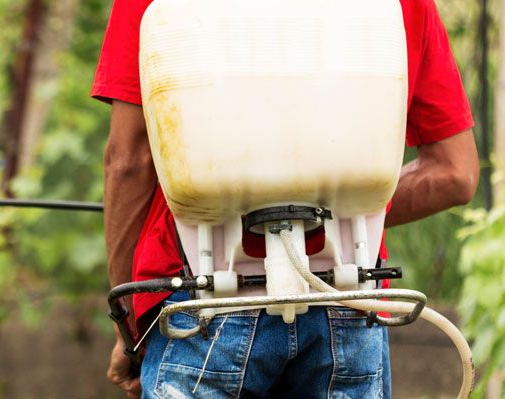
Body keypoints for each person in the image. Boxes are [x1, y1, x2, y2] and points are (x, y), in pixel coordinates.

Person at [93, 0, 480, 397]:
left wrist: (128, 327)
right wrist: (332, 214)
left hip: (202, 297)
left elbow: (129, 162)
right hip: (349, 294)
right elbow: (454, 173)